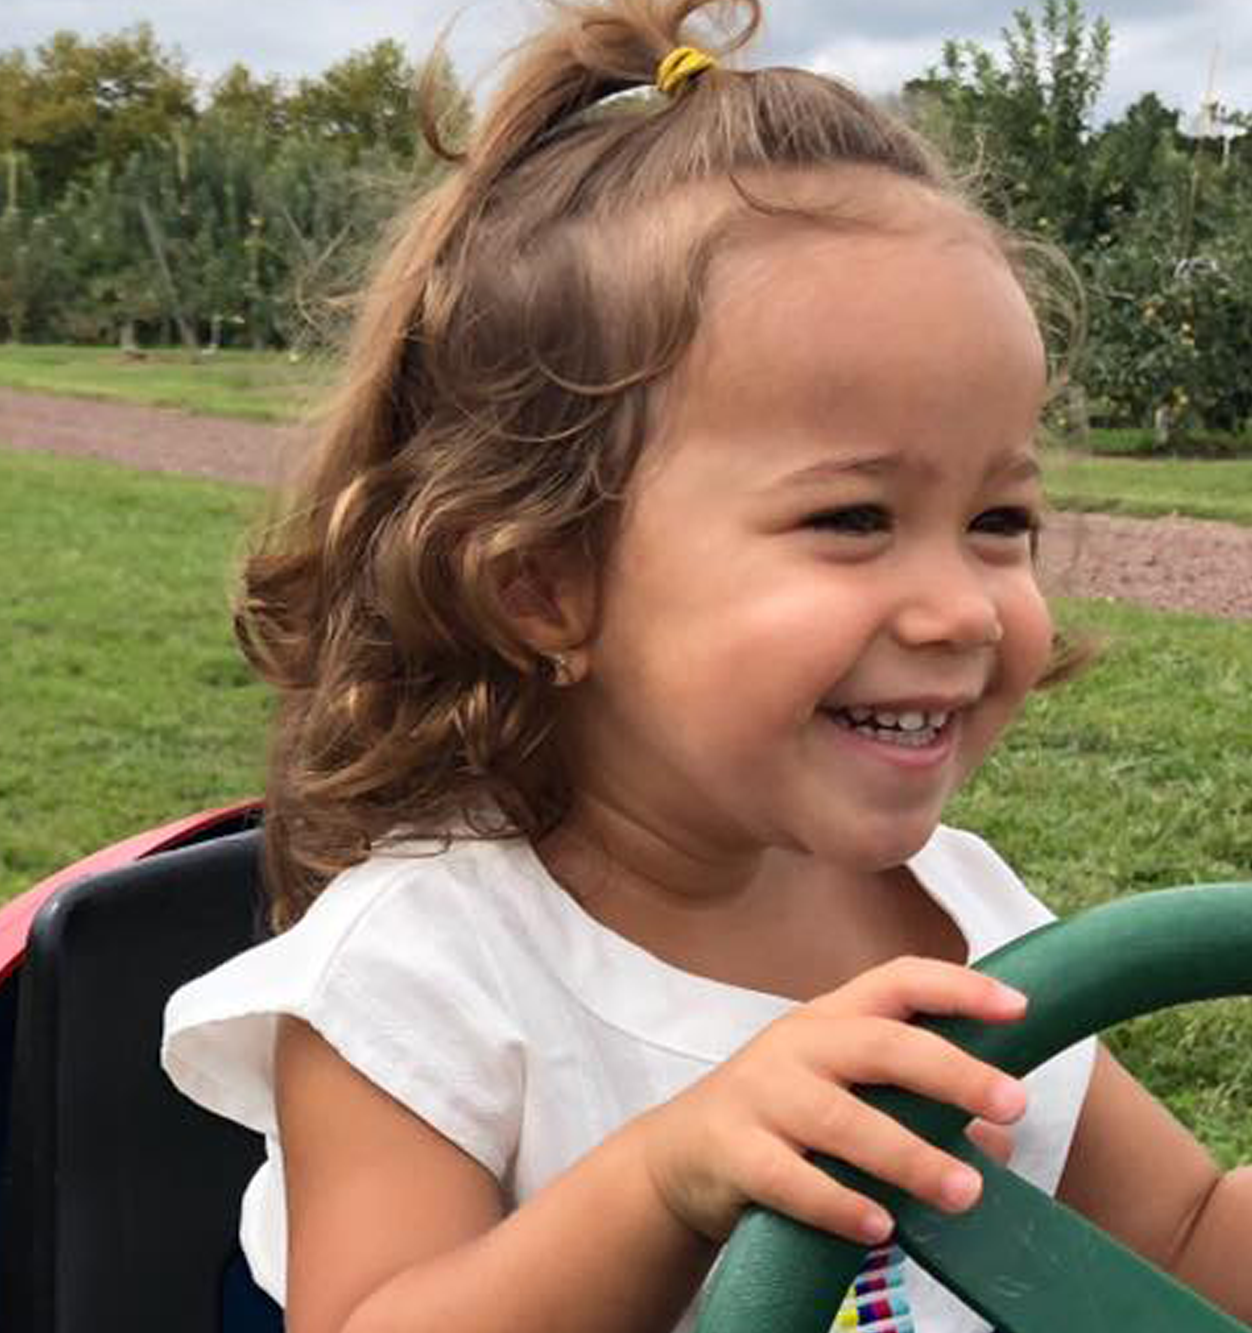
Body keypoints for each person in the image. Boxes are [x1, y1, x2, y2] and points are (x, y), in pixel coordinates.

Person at [161, 3, 1252, 1331]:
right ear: (547, 585)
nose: (964, 607)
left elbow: (1190, 1238)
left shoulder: (964, 918)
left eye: (1000, 520)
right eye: (854, 519)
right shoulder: (427, 974)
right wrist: (667, 1179)